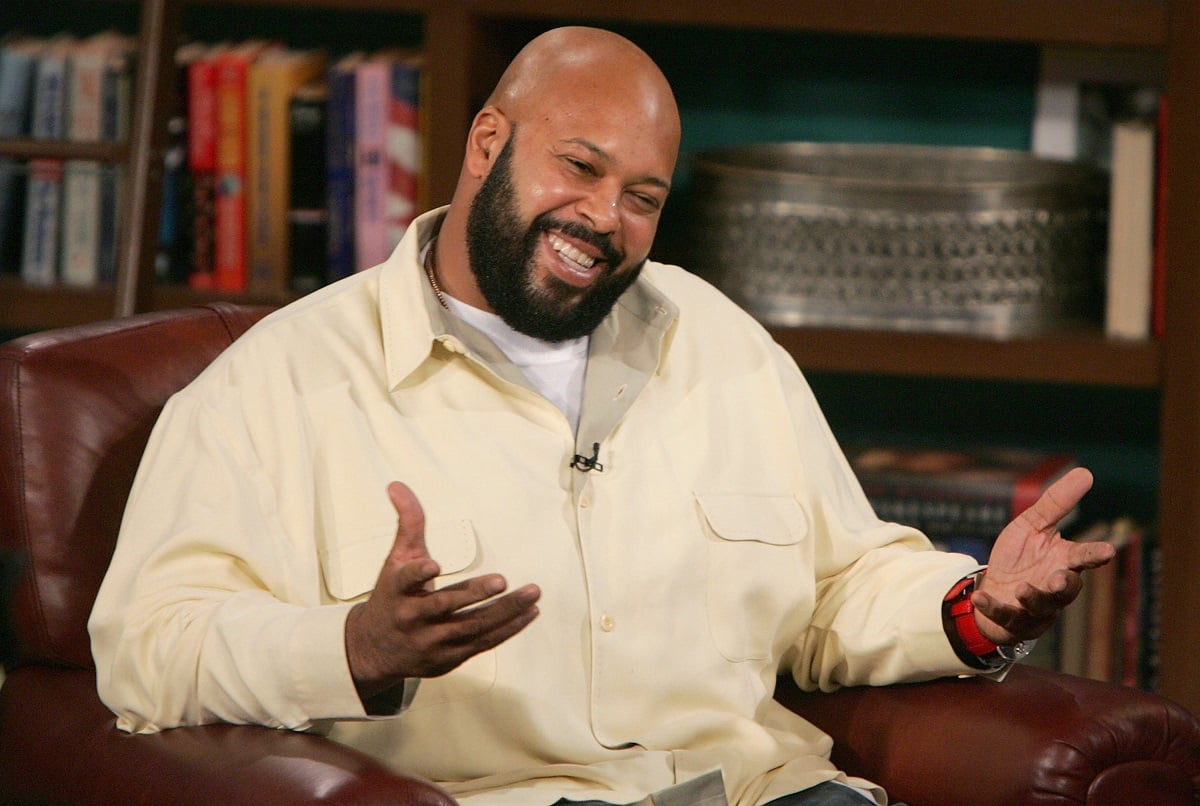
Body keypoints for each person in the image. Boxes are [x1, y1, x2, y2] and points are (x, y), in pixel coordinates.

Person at [89, 26, 1115, 806]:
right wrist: (353, 644)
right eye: (579, 167)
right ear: (488, 141)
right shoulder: (281, 382)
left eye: (642, 195)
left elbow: (839, 581)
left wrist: (976, 604)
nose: (604, 219)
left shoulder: (715, 339)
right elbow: (150, 648)